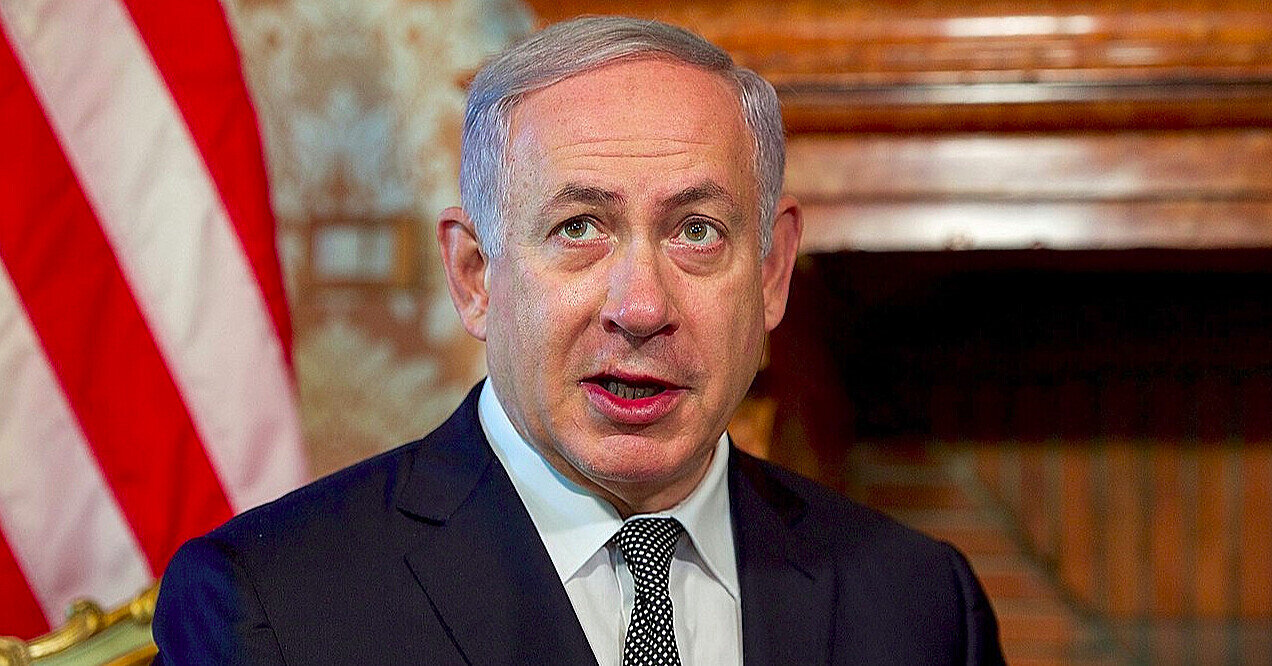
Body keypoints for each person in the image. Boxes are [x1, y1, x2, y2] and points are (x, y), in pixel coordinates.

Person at [152, 16, 1004, 665]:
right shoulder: (274, 606)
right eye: (580, 227)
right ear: (475, 275)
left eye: (697, 231)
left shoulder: (922, 605)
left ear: (773, 272)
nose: (641, 307)